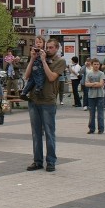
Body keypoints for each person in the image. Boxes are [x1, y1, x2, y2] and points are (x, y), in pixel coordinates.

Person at [25, 38, 66, 172]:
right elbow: (26, 76)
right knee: (36, 133)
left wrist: (43, 61)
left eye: (50, 48)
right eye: (46, 47)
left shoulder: (60, 61)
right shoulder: (37, 58)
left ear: (57, 48)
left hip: (48, 101)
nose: (47, 50)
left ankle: (51, 161)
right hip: (34, 100)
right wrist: (32, 59)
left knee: (49, 132)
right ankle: (37, 161)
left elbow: (51, 77)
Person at [84, 58, 105, 134]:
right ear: (92, 65)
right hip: (91, 96)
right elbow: (86, 84)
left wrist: (92, 84)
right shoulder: (89, 73)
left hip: (100, 95)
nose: (96, 66)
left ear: (99, 65)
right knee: (91, 113)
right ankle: (91, 128)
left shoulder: (101, 73)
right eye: (95, 64)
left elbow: (101, 84)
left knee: (100, 113)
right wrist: (94, 84)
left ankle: (101, 129)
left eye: (98, 64)